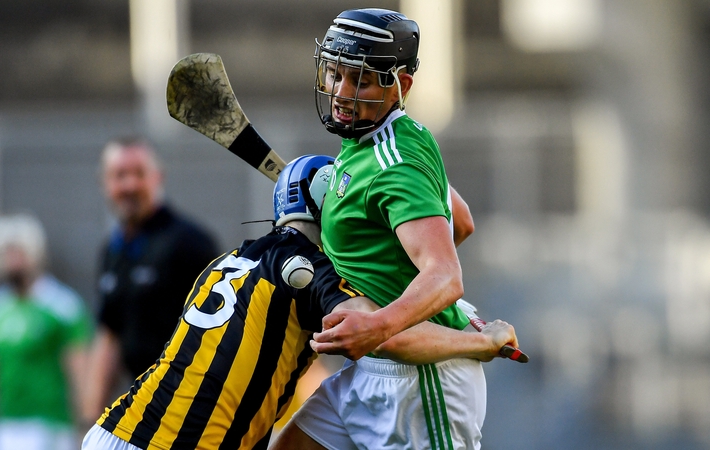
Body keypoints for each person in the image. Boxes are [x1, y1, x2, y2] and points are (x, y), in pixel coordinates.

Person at [81, 155, 518, 450]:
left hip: (116, 430)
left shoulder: (230, 259)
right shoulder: (308, 272)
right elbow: (382, 334)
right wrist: (480, 343)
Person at [271, 8, 505, 450]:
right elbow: (462, 221)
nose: (340, 92)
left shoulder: (394, 164)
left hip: (419, 385)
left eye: (358, 80)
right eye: (335, 73)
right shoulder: (387, 136)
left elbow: (445, 275)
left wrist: (380, 324)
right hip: (372, 369)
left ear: (401, 86)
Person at [82, 137, 219, 424]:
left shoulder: (189, 243)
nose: (130, 185)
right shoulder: (111, 251)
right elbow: (109, 334)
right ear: (104, 183)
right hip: (144, 409)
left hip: (192, 408)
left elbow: (223, 331)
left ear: (158, 178)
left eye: (139, 174)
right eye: (120, 175)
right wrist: (90, 419)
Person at [0, 213, 93, 450]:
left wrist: (85, 431)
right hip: (7, 430)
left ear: (35, 252)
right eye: (4, 252)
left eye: (18, 251)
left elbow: (81, 376)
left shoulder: (63, 307)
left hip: (51, 427)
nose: (12, 260)